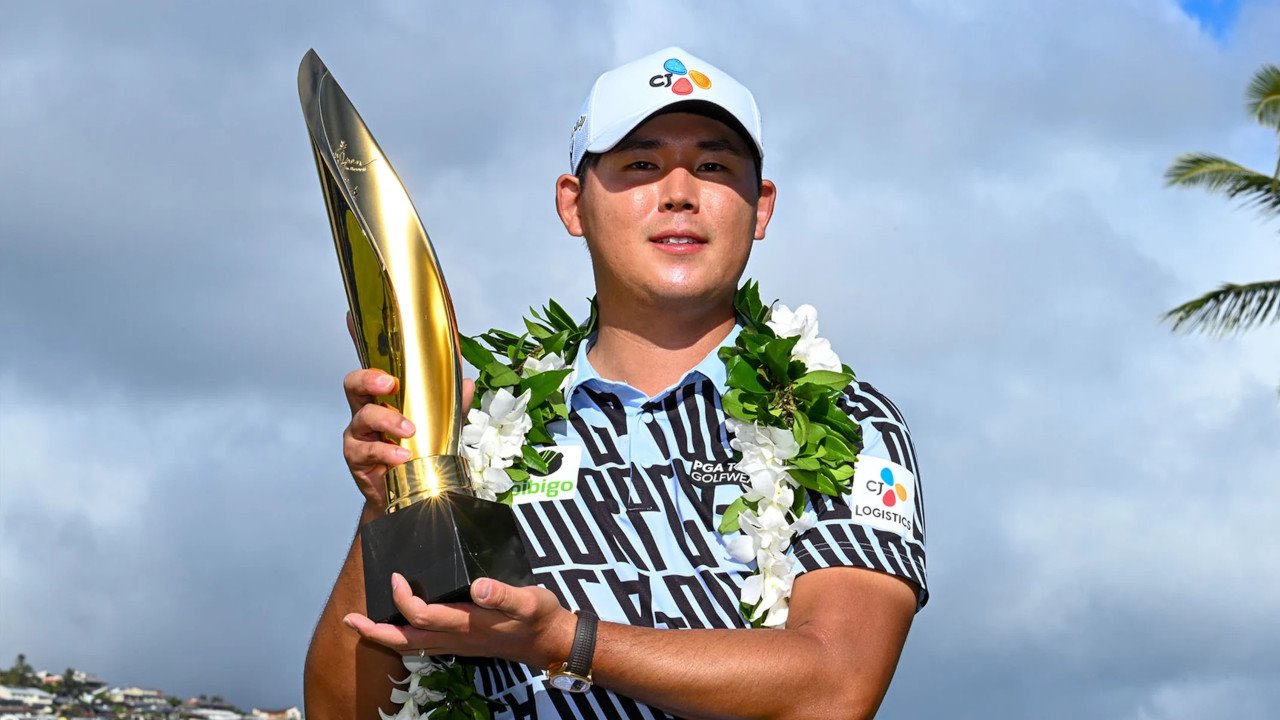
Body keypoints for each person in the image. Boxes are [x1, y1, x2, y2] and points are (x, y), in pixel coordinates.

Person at [304, 46, 927, 720]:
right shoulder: (481, 428)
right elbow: (342, 715)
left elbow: (836, 686)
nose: (680, 193)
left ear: (761, 207)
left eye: (714, 167)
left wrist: (561, 641)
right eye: (641, 166)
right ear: (573, 204)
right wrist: (392, 499)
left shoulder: (845, 421)